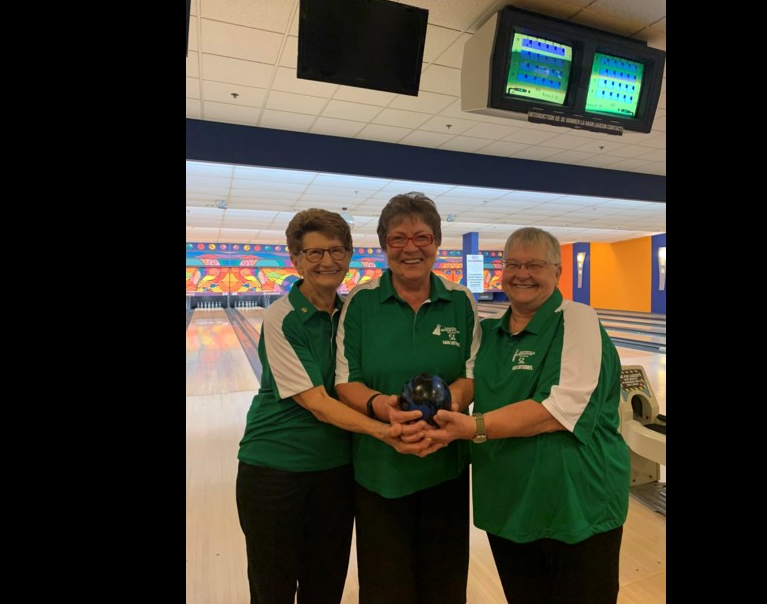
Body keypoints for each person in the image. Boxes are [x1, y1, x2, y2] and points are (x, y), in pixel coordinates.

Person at [236, 208, 431, 604]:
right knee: (272, 587)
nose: (328, 261)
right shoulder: (282, 317)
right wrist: (385, 432)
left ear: (349, 256)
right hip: (276, 470)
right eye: (314, 253)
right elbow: (319, 404)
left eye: (337, 251)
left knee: (325, 585)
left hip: (337, 472)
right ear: (296, 259)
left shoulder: (350, 313)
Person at [430, 227, 630, 604]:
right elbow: (467, 382)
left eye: (535, 264)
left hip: (576, 506)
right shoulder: (488, 333)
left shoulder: (577, 319)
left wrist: (473, 427)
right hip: (508, 504)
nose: (522, 273)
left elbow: (559, 408)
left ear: (557, 272)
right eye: (513, 264)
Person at [335, 192, 481, 604]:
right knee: (386, 588)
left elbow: (473, 375)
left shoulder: (460, 300)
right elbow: (346, 380)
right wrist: (381, 407)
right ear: (384, 246)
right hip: (380, 471)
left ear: (436, 242)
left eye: (422, 236)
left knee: (445, 584)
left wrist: (451, 400)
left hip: (445, 466)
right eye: (398, 238)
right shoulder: (361, 302)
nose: (410, 247)